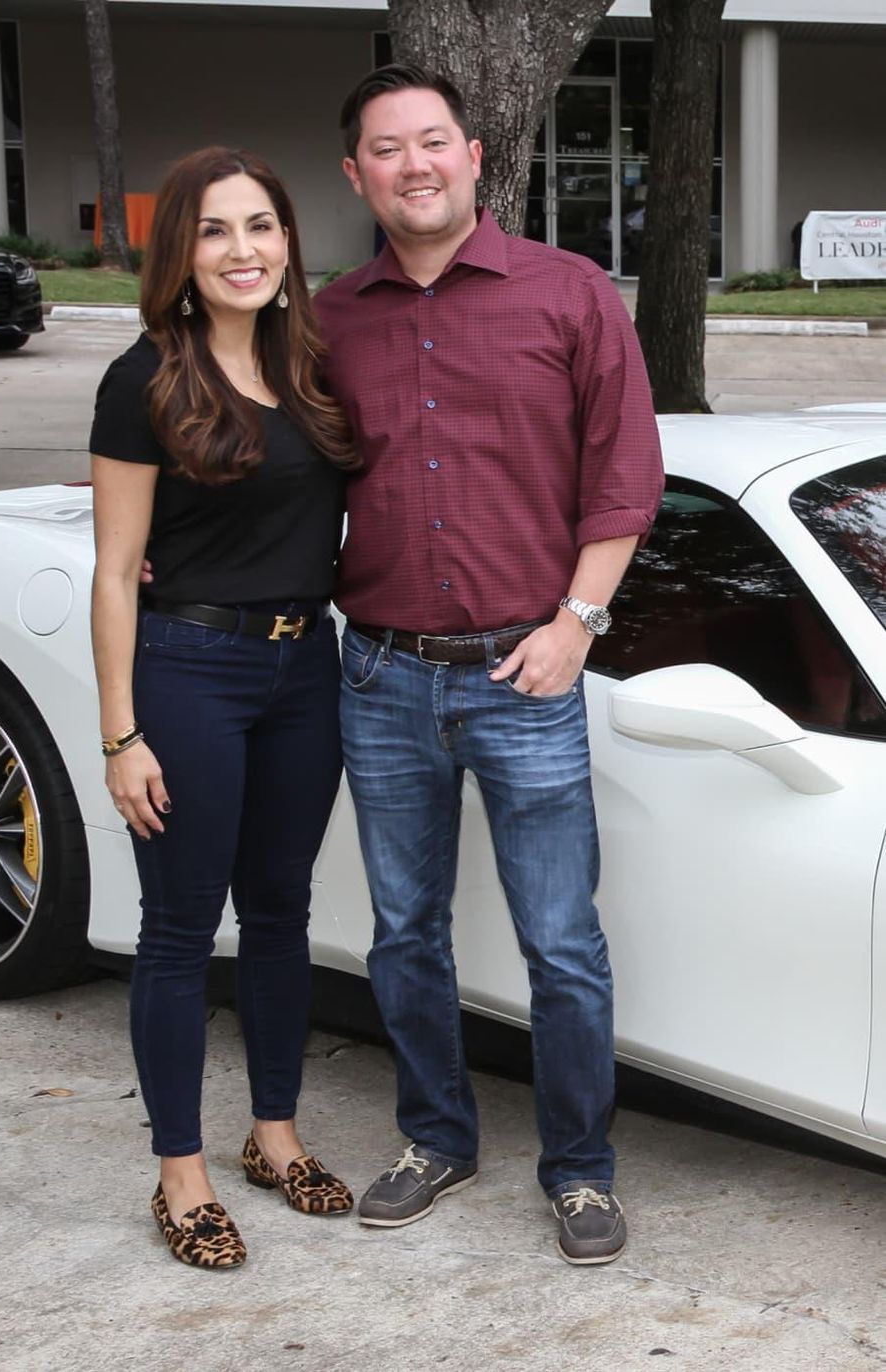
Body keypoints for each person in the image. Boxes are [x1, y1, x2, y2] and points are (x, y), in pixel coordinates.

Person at [314, 65, 664, 1265]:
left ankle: (577, 1170)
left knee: (559, 939)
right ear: (354, 173)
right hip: (380, 675)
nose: (412, 165)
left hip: (526, 675)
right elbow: (276, 472)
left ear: (473, 156)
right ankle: (436, 1137)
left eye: (431, 143)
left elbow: (624, 478)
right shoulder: (330, 317)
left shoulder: (567, 294)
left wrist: (576, 623)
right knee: (403, 932)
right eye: (385, 149)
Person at [89, 146, 358, 1269]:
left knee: (284, 914)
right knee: (180, 929)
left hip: (306, 674)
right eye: (213, 231)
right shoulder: (142, 377)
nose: (242, 249)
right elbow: (115, 568)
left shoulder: (313, 367)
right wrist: (121, 731)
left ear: (288, 240)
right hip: (191, 669)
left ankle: (274, 1134)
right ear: (180, 257)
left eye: (260, 225)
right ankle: (180, 1171)